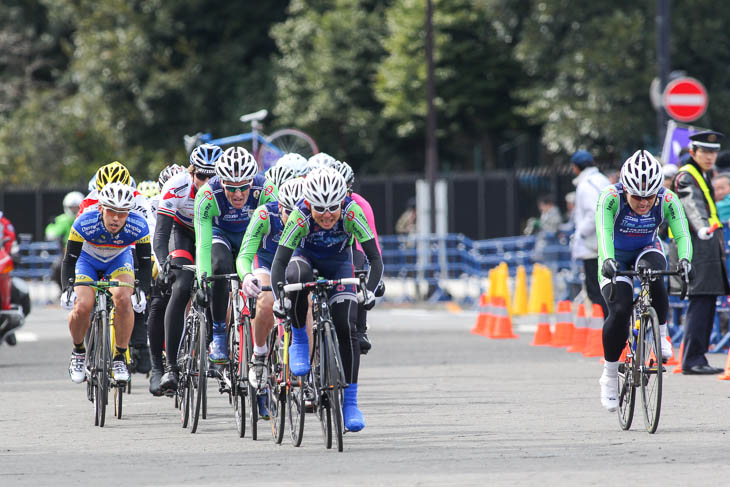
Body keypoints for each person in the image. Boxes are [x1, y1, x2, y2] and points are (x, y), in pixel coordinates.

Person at [270, 167, 383, 432]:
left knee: (346, 326)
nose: (327, 215)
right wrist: (279, 298)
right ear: (308, 204)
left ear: (342, 200)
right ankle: (299, 338)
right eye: (319, 209)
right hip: (304, 259)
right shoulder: (300, 217)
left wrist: (368, 290)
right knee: (298, 275)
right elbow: (279, 263)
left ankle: (351, 403)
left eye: (333, 207)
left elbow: (374, 259)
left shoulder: (351, 211)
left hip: (339, 262)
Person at [596, 150, 692, 411]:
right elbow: (603, 233)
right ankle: (609, 375)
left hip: (647, 249)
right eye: (637, 197)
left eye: (649, 196)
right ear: (625, 189)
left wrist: (685, 261)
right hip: (614, 255)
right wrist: (607, 261)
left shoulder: (667, 198)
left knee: (655, 275)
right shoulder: (610, 197)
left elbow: (682, 233)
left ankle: (661, 336)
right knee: (619, 310)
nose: (644, 203)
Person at [62, 183, 151, 384]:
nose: (117, 218)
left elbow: (145, 264)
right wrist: (67, 288)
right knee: (83, 305)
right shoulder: (84, 222)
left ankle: (119, 357)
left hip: (118, 260)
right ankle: (78, 352)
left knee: (123, 298)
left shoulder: (139, 224)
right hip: (87, 260)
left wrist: (142, 290)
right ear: (101, 208)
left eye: (122, 213)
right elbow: (69, 259)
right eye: (111, 211)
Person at [157, 145, 221, 394]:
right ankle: (171, 366)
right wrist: (164, 264)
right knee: (181, 286)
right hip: (183, 234)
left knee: (220, 281)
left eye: (212, 177)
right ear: (191, 172)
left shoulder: (227, 190)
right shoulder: (177, 186)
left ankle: (218, 346)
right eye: (201, 176)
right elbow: (161, 233)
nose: (206, 183)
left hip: (214, 234)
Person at [670, 130, 730, 375]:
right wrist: (702, 226)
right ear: (693, 152)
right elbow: (691, 203)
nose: (710, 156)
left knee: (705, 302)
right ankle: (693, 359)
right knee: (701, 302)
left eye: (713, 152)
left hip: (705, 246)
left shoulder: (702, 173)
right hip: (697, 246)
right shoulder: (687, 176)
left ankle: (697, 357)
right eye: (705, 151)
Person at [236, 177, 303, 389]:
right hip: (266, 261)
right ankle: (260, 354)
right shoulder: (265, 214)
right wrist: (247, 275)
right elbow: (245, 254)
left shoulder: (311, 217)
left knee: (308, 302)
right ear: (280, 206)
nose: (292, 221)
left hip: (295, 262)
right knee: (266, 300)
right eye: (287, 215)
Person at [332, 160, 383, 353]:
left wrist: (375, 280)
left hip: (350, 249)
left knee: (359, 264)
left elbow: (372, 246)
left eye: (343, 191)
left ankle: (360, 329)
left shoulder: (359, 205)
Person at [145, 164, 185, 395]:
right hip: (158, 256)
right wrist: (159, 266)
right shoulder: (153, 206)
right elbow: (152, 237)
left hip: (186, 250)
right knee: (159, 301)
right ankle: (156, 367)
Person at [570, 150, 610, 318]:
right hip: (607, 243)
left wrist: (581, 234)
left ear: (576, 167)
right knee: (608, 288)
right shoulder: (602, 180)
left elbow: (593, 212)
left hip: (592, 246)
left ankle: (603, 326)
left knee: (596, 291)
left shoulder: (586, 184)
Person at [46, 191, 84, 289]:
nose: (74, 210)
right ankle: (64, 289)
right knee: (57, 268)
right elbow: (50, 232)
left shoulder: (86, 218)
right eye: (72, 207)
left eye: (77, 207)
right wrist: (54, 234)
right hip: (67, 252)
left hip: (85, 251)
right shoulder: (61, 220)